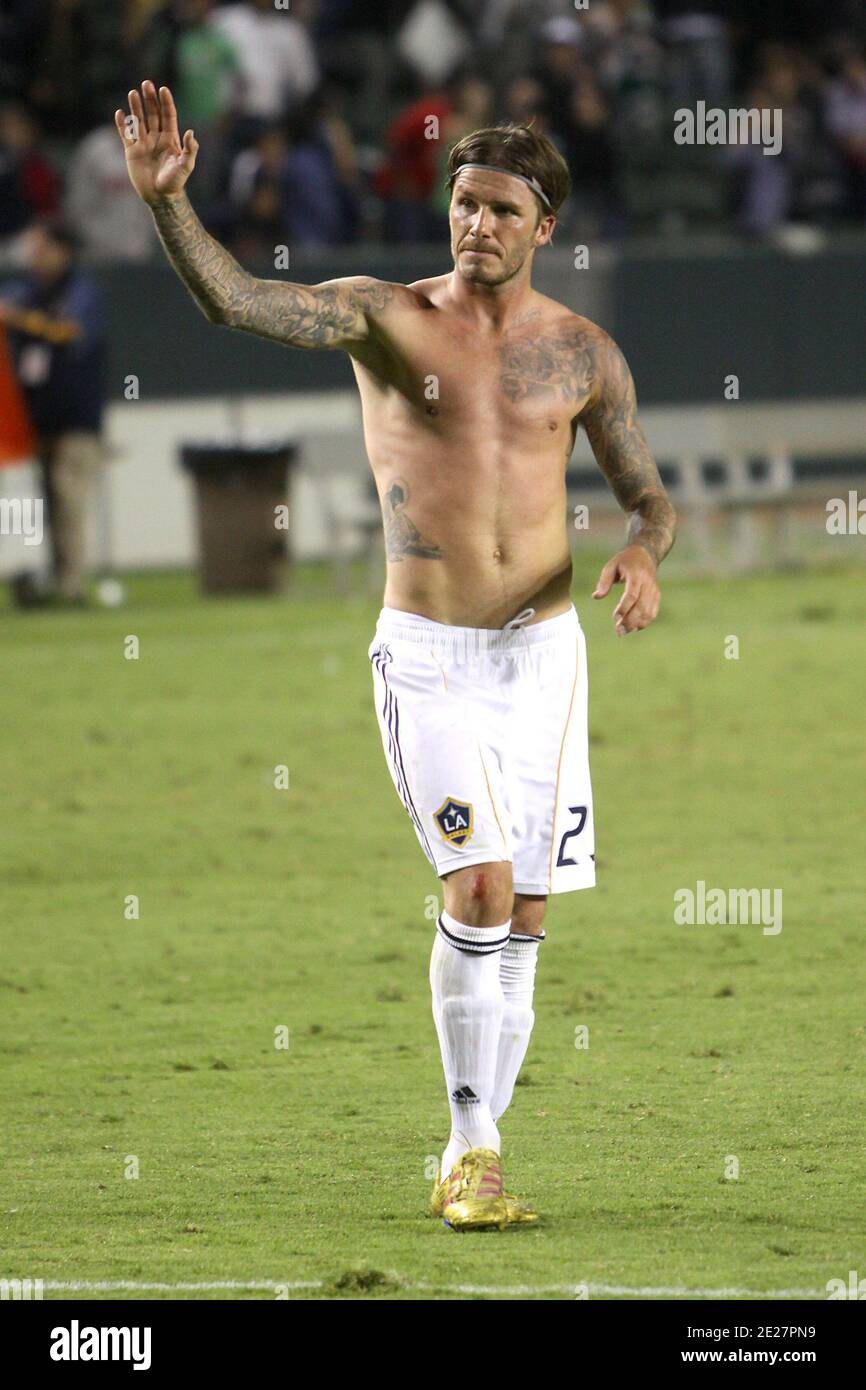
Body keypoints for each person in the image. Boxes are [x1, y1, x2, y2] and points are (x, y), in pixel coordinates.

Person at [115, 81, 676, 1231]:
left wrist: (642, 554)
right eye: (464, 203)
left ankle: (479, 1150)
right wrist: (171, 207)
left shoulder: (580, 354)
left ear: (544, 229)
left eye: (501, 211)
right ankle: (473, 1149)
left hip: (543, 661)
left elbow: (645, 492)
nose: (475, 225)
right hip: (426, 655)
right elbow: (234, 301)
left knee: (522, 914)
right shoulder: (383, 317)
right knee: (472, 886)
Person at [0, 218, 107, 605]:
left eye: (42, 248)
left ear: (62, 251)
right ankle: (31, 583)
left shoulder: (81, 293)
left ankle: (71, 587)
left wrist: (22, 321)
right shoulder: (28, 292)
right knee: (27, 509)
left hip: (75, 422)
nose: (34, 257)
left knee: (68, 504)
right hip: (32, 425)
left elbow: (69, 332)